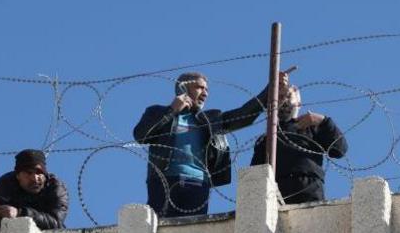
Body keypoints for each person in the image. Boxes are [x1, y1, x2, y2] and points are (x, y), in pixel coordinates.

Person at [133, 70, 285, 217]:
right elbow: (141, 135)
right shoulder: (156, 111)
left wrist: (270, 89)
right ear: (182, 88)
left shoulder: (211, 119)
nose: (205, 93)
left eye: (207, 89)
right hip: (163, 181)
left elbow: (243, 115)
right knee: (159, 232)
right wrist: (171, 110)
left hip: (198, 183)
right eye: (200, 87)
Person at [250, 85, 348, 204]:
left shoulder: (311, 128)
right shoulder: (268, 138)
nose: (284, 100)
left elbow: (339, 150)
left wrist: (322, 121)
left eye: (289, 96)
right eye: (280, 97)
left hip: (309, 191)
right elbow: (255, 177)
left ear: (299, 103)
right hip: (277, 195)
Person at [0, 149, 69, 233]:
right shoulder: (6, 184)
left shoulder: (56, 188)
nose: (35, 178)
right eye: (29, 173)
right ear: (18, 176)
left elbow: (56, 223)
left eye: (39, 173)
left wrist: (21, 213)